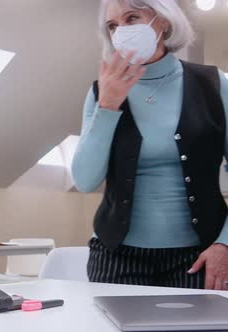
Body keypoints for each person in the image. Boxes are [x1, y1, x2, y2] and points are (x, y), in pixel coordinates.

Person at [72, 0, 228, 290]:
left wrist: (225, 245)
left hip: (200, 257)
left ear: (164, 22)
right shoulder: (100, 92)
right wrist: (108, 106)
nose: (121, 31)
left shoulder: (215, 84)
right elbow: (84, 180)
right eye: (113, 25)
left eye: (132, 18)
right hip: (117, 257)